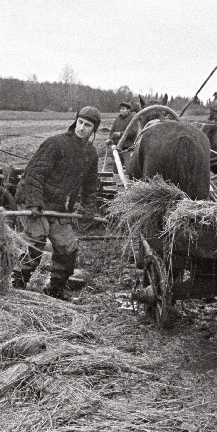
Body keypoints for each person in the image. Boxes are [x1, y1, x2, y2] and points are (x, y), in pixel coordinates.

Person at [12, 106, 100, 300]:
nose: (82, 128)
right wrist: (34, 203)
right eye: (80, 122)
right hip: (32, 199)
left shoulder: (91, 154)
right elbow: (34, 174)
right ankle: (17, 281)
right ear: (75, 122)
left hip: (57, 207)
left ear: (94, 130)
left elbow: (90, 185)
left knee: (68, 246)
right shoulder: (55, 144)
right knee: (37, 239)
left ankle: (55, 289)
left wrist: (89, 208)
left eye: (88, 125)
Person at [105, 101, 135, 175]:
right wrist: (110, 139)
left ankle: (130, 183)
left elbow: (133, 132)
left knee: (129, 168)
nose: (121, 111)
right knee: (116, 167)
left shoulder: (133, 119)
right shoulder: (117, 119)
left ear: (128, 110)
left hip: (128, 148)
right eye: (120, 109)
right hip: (117, 147)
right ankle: (117, 183)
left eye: (123, 109)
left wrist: (120, 134)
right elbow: (112, 131)